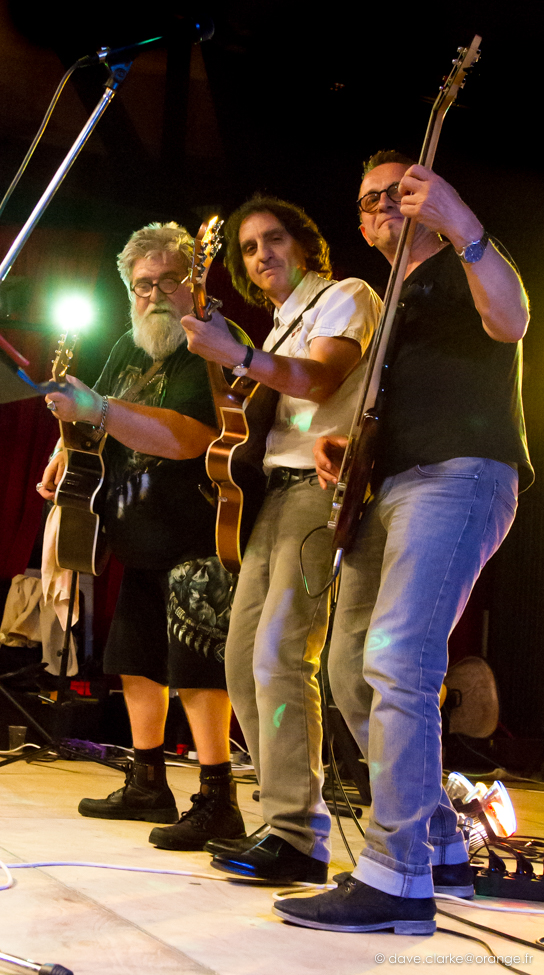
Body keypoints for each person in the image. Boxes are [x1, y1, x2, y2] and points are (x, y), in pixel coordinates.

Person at [273, 152, 532, 932]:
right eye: (369, 199)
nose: (384, 203)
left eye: (400, 190)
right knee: (350, 665)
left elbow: (512, 321)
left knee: (397, 657)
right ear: (361, 225)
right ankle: (439, 843)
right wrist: (351, 446)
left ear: (428, 199)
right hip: (387, 486)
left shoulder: (463, 262)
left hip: (458, 474)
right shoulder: (391, 303)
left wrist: (463, 226)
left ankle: (397, 877)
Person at [181, 195, 381, 879]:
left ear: (304, 242)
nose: (262, 253)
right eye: (248, 248)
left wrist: (238, 352)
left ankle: (298, 836)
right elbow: (247, 413)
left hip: (319, 490)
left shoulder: (344, 295)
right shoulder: (278, 326)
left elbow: (320, 378)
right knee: (241, 660)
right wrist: (227, 354)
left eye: (273, 238)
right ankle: (280, 821)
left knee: (281, 654)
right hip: (272, 495)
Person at [38, 222, 246, 851]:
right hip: (139, 528)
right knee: (135, 659)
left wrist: (98, 410)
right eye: (142, 285)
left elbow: (190, 437)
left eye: (169, 280)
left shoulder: (214, 343)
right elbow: (96, 414)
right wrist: (65, 448)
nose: (155, 295)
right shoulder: (128, 350)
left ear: (196, 284)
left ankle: (218, 800)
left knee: (197, 664)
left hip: (200, 529)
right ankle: (148, 782)